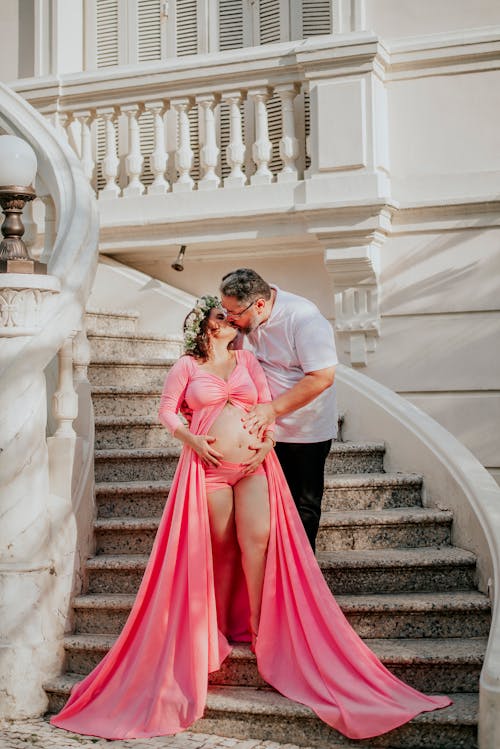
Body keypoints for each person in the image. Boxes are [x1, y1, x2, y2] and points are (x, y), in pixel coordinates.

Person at [50, 296, 450, 741]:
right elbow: (166, 410)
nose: (232, 321)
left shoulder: (248, 359)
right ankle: (215, 628)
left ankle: (263, 629)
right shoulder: (187, 365)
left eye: (233, 315)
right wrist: (192, 441)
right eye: (223, 316)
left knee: (257, 542)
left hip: (255, 465)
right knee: (219, 549)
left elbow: (265, 404)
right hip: (210, 469)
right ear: (206, 325)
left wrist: (268, 441)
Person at [220, 268, 337, 551]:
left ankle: (300, 577)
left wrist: (271, 410)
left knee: (301, 507)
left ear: (260, 304)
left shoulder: (305, 319)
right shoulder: (249, 317)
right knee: (266, 506)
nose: (229, 319)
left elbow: (322, 377)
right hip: (262, 429)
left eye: (234, 313)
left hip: (304, 431)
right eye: (226, 311)